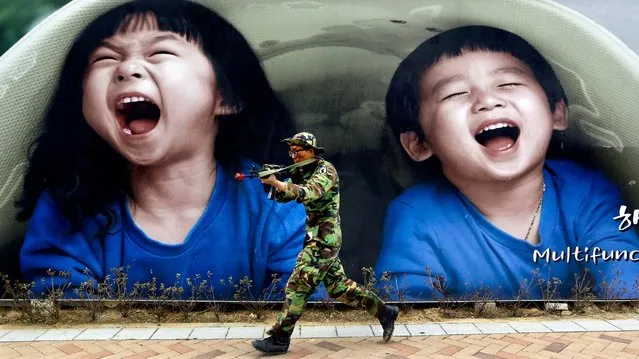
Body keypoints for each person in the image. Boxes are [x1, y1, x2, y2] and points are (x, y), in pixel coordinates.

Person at [16, 0, 307, 299]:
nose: (126, 69)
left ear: (226, 96)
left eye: (160, 52)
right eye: (104, 58)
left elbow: (301, 325)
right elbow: (69, 331)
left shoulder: (279, 207)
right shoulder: (66, 210)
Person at [375, 25, 639, 301]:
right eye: (455, 93)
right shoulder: (418, 217)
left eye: (508, 84)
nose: (488, 101)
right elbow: (406, 314)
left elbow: (628, 287)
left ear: (556, 113)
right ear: (419, 143)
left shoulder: (586, 191)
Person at [252, 132, 399, 354]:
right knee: (338, 288)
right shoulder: (303, 170)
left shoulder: (325, 170)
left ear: (311, 150)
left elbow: (309, 193)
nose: (293, 155)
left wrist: (279, 183)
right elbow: (283, 197)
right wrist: (268, 183)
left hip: (325, 240)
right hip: (317, 237)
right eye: (291, 151)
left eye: (298, 151)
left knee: (298, 284)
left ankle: (280, 338)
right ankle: (385, 311)